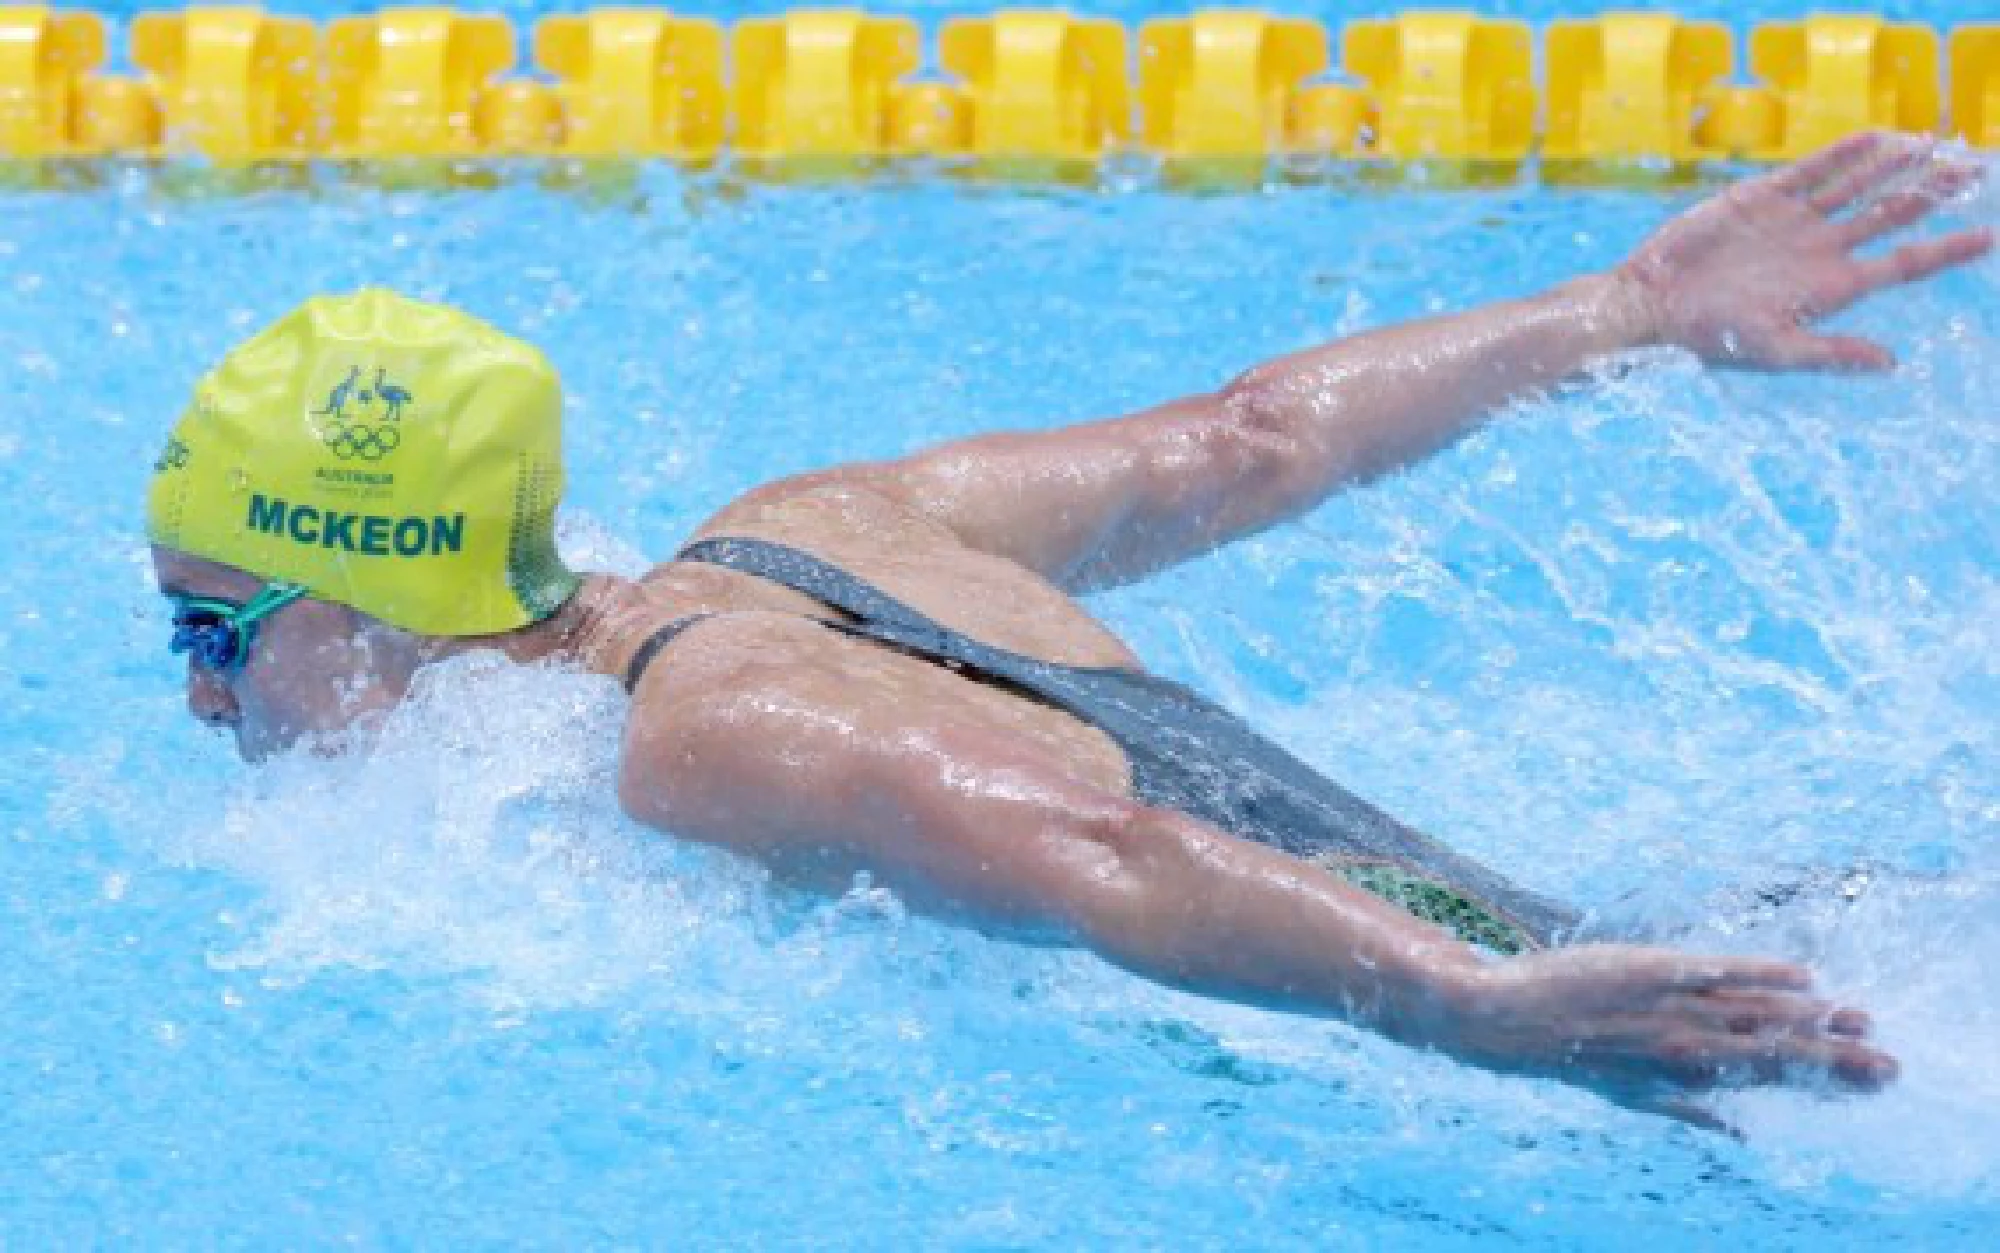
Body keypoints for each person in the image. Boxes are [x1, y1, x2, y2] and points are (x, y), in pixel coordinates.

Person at [148, 132, 1991, 1123]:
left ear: (370, 598)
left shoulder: (697, 739)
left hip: (1649, 1059)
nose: (206, 700)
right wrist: (1625, 303)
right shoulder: (813, 527)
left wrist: (1487, 1011)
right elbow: (1255, 436)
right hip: (1717, 957)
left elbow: (1101, 847)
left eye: (214, 632)